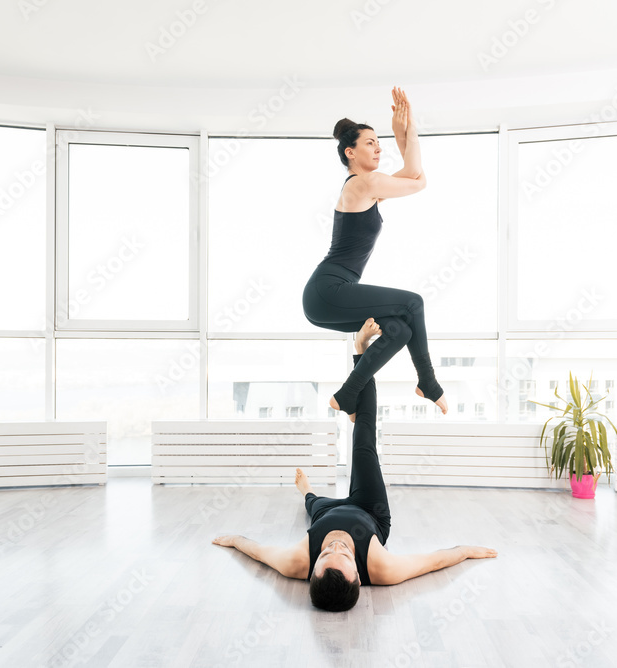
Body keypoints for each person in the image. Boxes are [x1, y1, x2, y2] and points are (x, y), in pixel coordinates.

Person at [211, 319, 497, 612]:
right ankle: (361, 350)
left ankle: (306, 490)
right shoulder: (384, 570)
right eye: (345, 555)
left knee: (311, 504)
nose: (335, 546)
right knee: (363, 440)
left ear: (310, 572)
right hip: (370, 509)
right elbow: (433, 561)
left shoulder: (295, 562)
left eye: (325, 554)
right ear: (359, 577)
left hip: (327, 512)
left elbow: (258, 552)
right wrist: (465, 551)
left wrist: (234, 540)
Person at [302, 87, 447, 423]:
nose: (378, 147)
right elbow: (418, 178)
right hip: (328, 290)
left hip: (328, 298)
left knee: (400, 330)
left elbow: (414, 175)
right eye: (370, 142)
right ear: (350, 152)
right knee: (413, 304)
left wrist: (401, 132)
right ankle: (427, 381)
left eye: (379, 141)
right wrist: (405, 129)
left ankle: (347, 395)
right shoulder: (363, 184)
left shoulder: (370, 187)